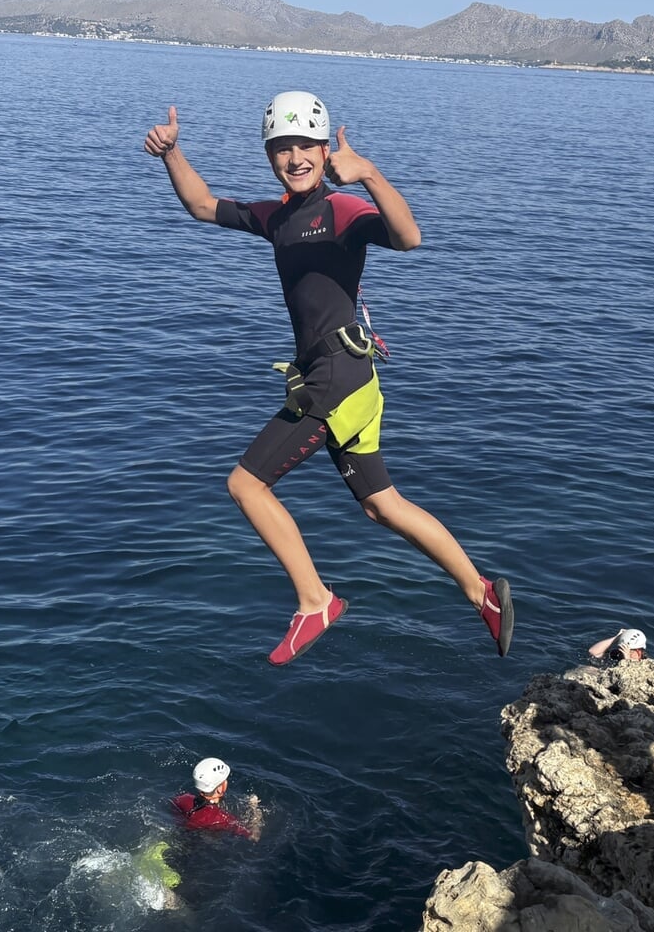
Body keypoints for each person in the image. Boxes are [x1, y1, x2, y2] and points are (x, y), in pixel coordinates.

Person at [143, 92, 515, 665]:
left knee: (246, 484)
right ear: (270, 154)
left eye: (305, 147)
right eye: (281, 148)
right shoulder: (277, 216)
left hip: (336, 378)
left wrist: (367, 173)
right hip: (347, 375)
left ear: (324, 150)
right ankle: (482, 592)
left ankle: (315, 601)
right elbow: (202, 205)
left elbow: (408, 236)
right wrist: (172, 154)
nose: (294, 158)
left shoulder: (340, 209)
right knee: (381, 504)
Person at [171, 757, 261, 841]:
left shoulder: (183, 798)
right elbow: (253, 836)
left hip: (173, 839)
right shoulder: (224, 819)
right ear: (220, 789)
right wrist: (254, 808)